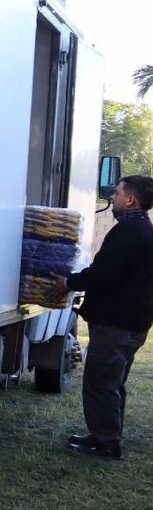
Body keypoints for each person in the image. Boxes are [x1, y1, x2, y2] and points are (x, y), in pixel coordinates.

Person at [56, 176, 153, 460]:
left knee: (101, 383)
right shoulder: (141, 229)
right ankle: (105, 436)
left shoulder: (130, 232)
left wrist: (68, 282)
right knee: (112, 382)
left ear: (131, 200)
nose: (114, 197)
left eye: (118, 192)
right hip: (131, 323)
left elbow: (103, 273)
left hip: (117, 324)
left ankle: (106, 443)